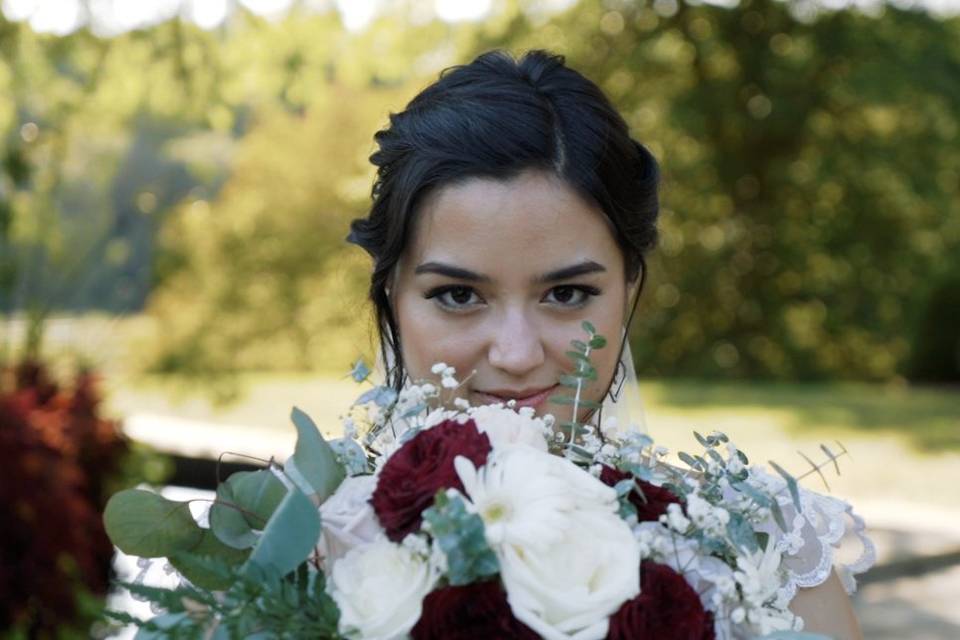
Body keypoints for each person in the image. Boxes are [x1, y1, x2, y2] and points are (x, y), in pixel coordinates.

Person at [347, 49, 868, 639]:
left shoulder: (767, 556)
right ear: (391, 294)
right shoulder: (302, 556)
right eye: (459, 295)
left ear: (628, 288)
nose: (516, 355)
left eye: (566, 293)